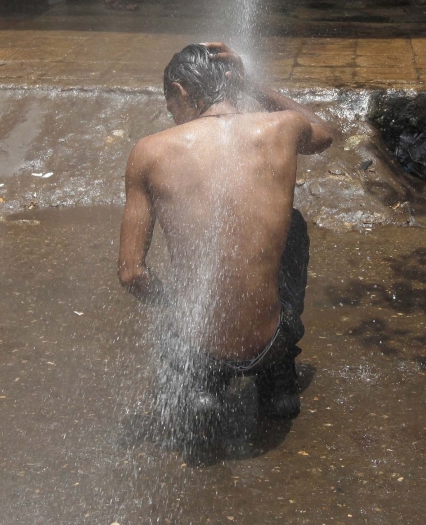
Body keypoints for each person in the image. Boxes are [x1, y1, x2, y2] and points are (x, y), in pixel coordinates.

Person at [118, 42, 332, 440]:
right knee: (294, 227)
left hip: (202, 347)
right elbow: (324, 135)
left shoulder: (149, 151)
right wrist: (255, 86)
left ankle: (200, 391)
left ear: (181, 93)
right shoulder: (281, 127)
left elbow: (131, 274)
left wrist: (177, 304)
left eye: (170, 107)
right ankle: (278, 380)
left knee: (180, 307)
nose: (172, 117)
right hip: (271, 340)